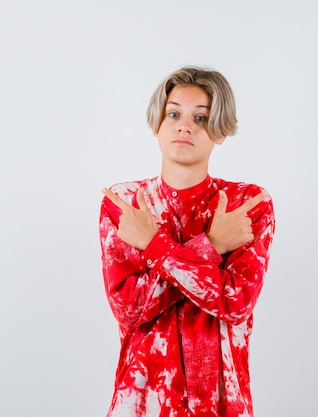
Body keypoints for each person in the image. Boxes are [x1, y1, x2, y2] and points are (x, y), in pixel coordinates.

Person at [98, 66, 276, 417]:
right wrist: (210, 246)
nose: (184, 125)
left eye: (201, 117)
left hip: (221, 400)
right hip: (143, 398)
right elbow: (129, 309)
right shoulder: (126, 204)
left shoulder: (246, 205)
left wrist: (152, 244)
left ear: (220, 131)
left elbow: (236, 302)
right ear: (157, 124)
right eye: (174, 113)